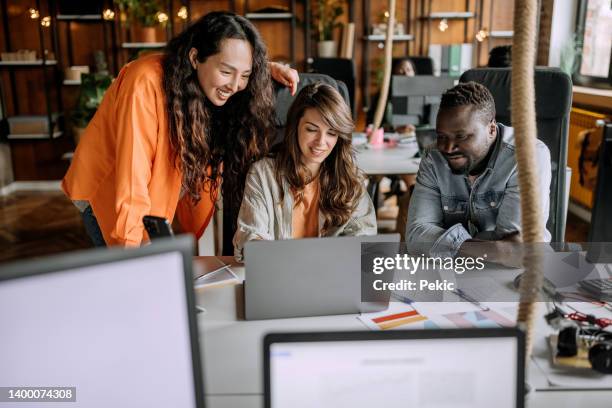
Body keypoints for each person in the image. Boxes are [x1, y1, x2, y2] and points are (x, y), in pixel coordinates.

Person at [62, 12, 299, 247]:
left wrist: (265, 69)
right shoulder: (143, 83)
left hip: (149, 193)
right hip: (108, 190)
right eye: (227, 72)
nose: (236, 85)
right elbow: (131, 176)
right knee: (127, 273)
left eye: (245, 75)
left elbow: (231, 64)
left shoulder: (206, 77)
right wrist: (132, 253)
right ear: (195, 57)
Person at [406, 82, 551, 259]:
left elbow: (515, 248)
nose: (448, 148)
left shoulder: (528, 155)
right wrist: (492, 250)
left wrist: (445, 243)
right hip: (458, 271)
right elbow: (416, 236)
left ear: (491, 129)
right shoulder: (433, 157)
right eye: (442, 136)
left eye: (461, 136)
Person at [233, 83, 377, 261]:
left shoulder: (349, 179)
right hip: (279, 276)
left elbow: (365, 241)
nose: (321, 142)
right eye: (311, 129)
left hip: (332, 280)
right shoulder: (263, 174)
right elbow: (251, 236)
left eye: (331, 133)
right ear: (295, 126)